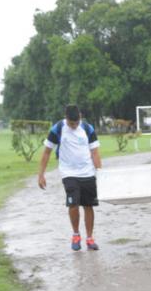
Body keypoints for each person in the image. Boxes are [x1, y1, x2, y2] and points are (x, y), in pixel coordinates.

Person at [37, 104, 102, 251]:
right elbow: (46, 152)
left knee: (88, 205)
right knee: (73, 204)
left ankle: (90, 238)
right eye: (71, 123)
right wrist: (41, 174)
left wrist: (100, 171)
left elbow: (95, 152)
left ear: (80, 116)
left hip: (88, 172)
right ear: (66, 118)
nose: (74, 126)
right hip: (68, 173)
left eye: (77, 122)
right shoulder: (58, 129)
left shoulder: (87, 128)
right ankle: (76, 235)